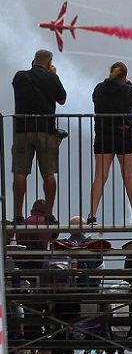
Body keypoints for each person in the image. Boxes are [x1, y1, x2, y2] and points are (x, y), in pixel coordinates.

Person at [11, 49, 67, 224]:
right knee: (48, 173)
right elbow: (62, 99)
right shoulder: (52, 78)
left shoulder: (20, 77)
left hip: (22, 129)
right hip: (46, 130)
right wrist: (53, 75)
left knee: (20, 172)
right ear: (49, 64)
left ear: (32, 61)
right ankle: (49, 215)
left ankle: (18, 216)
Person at [87, 61, 132, 225]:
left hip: (102, 135)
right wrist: (130, 83)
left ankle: (92, 214)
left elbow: (95, 100)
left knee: (100, 175)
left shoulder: (99, 88)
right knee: (129, 176)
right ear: (124, 75)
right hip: (124, 134)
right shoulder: (127, 89)